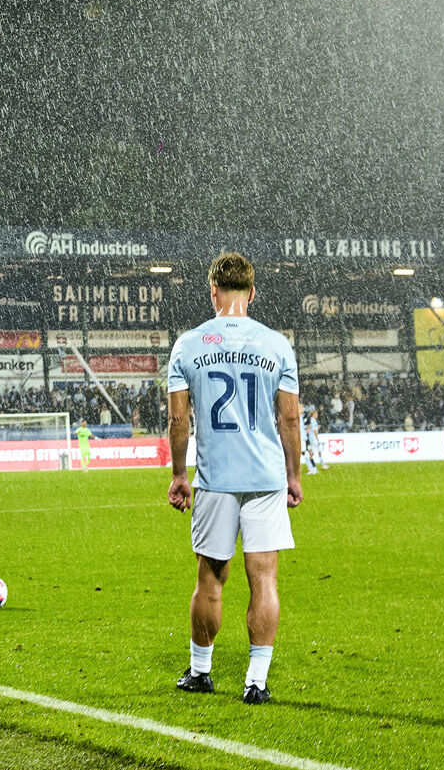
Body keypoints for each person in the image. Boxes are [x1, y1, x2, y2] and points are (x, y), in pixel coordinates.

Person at [165, 253, 299, 705]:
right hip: (264, 476)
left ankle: (201, 672)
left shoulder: (188, 344)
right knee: (264, 579)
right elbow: (290, 418)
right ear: (253, 292)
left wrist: (179, 474)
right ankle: (256, 682)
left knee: (210, 578)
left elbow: (178, 419)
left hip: (216, 478)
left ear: (213, 291)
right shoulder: (276, 344)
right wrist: (294, 475)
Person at [299, 403, 323, 475]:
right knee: (305, 453)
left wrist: (307, 429)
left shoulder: (304, 416)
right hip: (303, 438)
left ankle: (313, 468)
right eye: (301, 409)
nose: (302, 410)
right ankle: (312, 468)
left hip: (304, 438)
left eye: (302, 408)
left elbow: (308, 425)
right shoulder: (299, 417)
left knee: (308, 453)